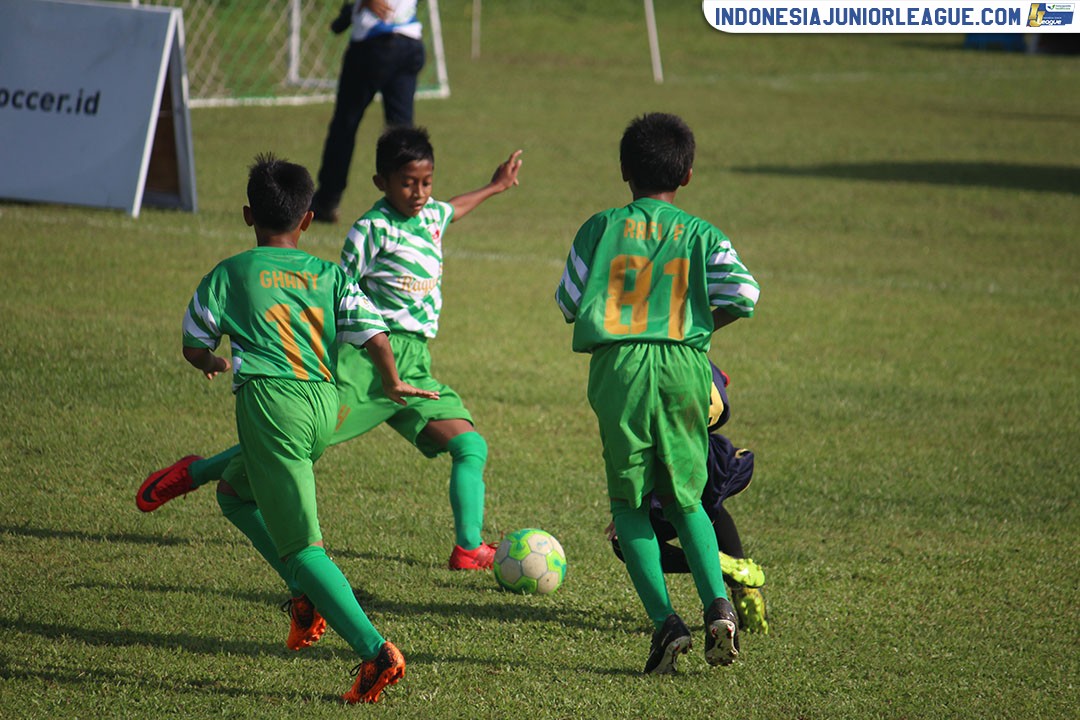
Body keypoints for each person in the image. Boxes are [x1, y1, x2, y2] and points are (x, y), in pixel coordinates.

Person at [139, 127, 523, 575]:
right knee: (292, 445)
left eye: (426, 182)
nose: (418, 193)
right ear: (381, 182)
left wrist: (495, 187)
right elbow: (340, 292)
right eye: (407, 182)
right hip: (367, 362)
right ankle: (198, 472)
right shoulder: (370, 229)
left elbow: (452, 210)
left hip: (413, 362)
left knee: (470, 445)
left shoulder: (432, 215)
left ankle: (468, 548)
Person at [178, 153, 437, 702]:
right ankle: (303, 597)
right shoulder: (329, 273)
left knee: (303, 547)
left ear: (248, 216)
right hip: (324, 403)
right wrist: (391, 384)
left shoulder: (231, 272)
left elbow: (194, 340)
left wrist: (209, 363)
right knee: (233, 493)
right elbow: (374, 332)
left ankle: (375, 651)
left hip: (273, 407)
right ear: (307, 220)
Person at [554, 112, 759, 674]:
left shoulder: (599, 228)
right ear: (687, 174)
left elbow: (570, 301)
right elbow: (744, 294)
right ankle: (717, 605)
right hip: (682, 365)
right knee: (686, 497)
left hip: (619, 368)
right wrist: (696, 327)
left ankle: (666, 626)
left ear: (624, 171)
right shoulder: (702, 233)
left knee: (630, 504)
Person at [608, 362, 769, 635]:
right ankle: (742, 583)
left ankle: (721, 567)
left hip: (666, 447)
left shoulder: (638, 351)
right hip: (703, 448)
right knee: (707, 510)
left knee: (625, 539)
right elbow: (722, 384)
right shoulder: (689, 344)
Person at [310, 0, 427, 223]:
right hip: (410, 42)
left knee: (345, 125)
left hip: (374, 42)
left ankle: (327, 201)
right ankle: (408, 203)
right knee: (402, 134)